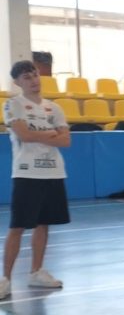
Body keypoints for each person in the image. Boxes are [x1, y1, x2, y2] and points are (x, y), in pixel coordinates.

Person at [1, 60, 70, 299]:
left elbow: (66, 141)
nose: (33, 80)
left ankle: (36, 272)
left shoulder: (54, 108)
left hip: (53, 172)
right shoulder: (13, 105)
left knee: (43, 224)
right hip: (26, 173)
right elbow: (24, 135)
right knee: (17, 227)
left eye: (34, 75)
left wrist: (39, 134)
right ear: (17, 82)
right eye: (27, 77)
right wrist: (51, 133)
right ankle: (5, 279)